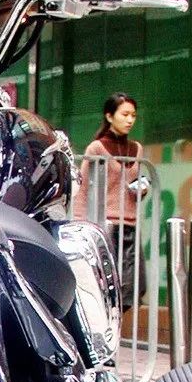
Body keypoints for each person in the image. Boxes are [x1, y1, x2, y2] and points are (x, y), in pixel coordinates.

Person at [72, 92, 149, 312]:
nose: (130, 120)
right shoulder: (97, 148)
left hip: (130, 224)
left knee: (135, 286)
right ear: (109, 116)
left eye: (133, 115)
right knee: (106, 285)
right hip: (105, 226)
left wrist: (142, 187)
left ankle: (116, 322)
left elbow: (135, 182)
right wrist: (80, 223)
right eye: (124, 114)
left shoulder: (136, 149)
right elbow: (83, 188)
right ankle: (107, 324)